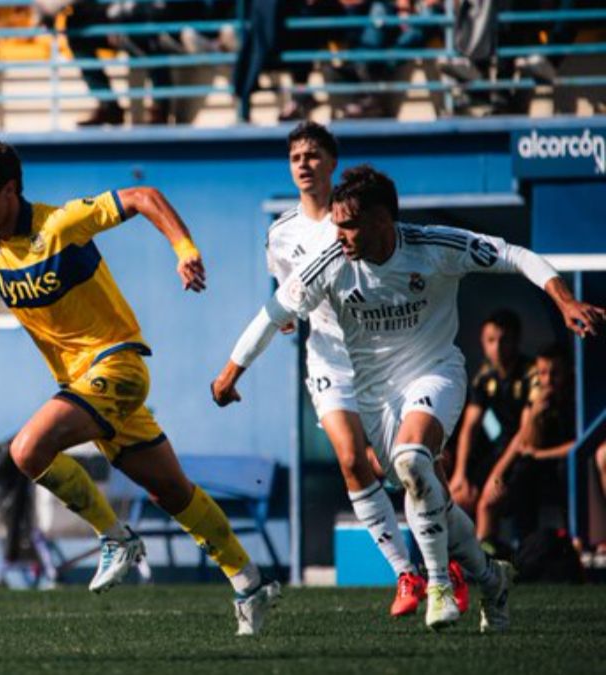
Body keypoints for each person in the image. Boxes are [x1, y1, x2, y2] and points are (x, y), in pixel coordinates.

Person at [212, 164, 605, 631]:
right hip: (375, 395)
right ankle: (489, 575)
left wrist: (564, 300)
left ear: (383, 221)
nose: (339, 233)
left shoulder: (435, 247)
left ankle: (438, 583)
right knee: (426, 489)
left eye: (350, 223)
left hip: (434, 373)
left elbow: (514, 254)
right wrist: (231, 372)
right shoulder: (329, 261)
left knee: (413, 461)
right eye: (336, 222)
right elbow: (273, 310)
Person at [0, 141, 281, 636]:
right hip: (82, 384)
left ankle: (115, 538)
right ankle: (250, 583)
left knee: (28, 450)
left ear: (9, 189)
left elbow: (143, 196)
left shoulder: (60, 224)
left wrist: (184, 250)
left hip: (116, 365)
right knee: (172, 493)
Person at [267, 122, 447, 618]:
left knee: (413, 466)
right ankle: (404, 574)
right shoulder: (281, 234)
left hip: (386, 359)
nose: (303, 164)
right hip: (329, 362)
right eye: (295, 157)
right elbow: (287, 294)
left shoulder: (357, 218)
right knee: (351, 459)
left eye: (313, 155)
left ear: (332, 163)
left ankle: (449, 562)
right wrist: (286, 320)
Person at [476, 344, 576, 549]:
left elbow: (580, 445)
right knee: (519, 475)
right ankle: (505, 551)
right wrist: (536, 414)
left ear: (568, 372)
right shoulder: (537, 400)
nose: (548, 380)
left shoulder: (577, 398)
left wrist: (541, 454)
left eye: (555, 373)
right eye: (542, 373)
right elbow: (525, 442)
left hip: (566, 468)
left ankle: (574, 544)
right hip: (539, 468)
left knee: (567, 470)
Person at [449, 310, 533, 516]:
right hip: (501, 448)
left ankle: (491, 545)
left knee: (488, 501)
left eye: (504, 340)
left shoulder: (531, 374)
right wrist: (460, 474)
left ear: (516, 340)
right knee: (460, 496)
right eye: (491, 340)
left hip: (527, 452)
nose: (497, 348)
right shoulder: (484, 378)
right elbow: (470, 428)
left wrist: (496, 475)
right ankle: (471, 547)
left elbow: (525, 434)